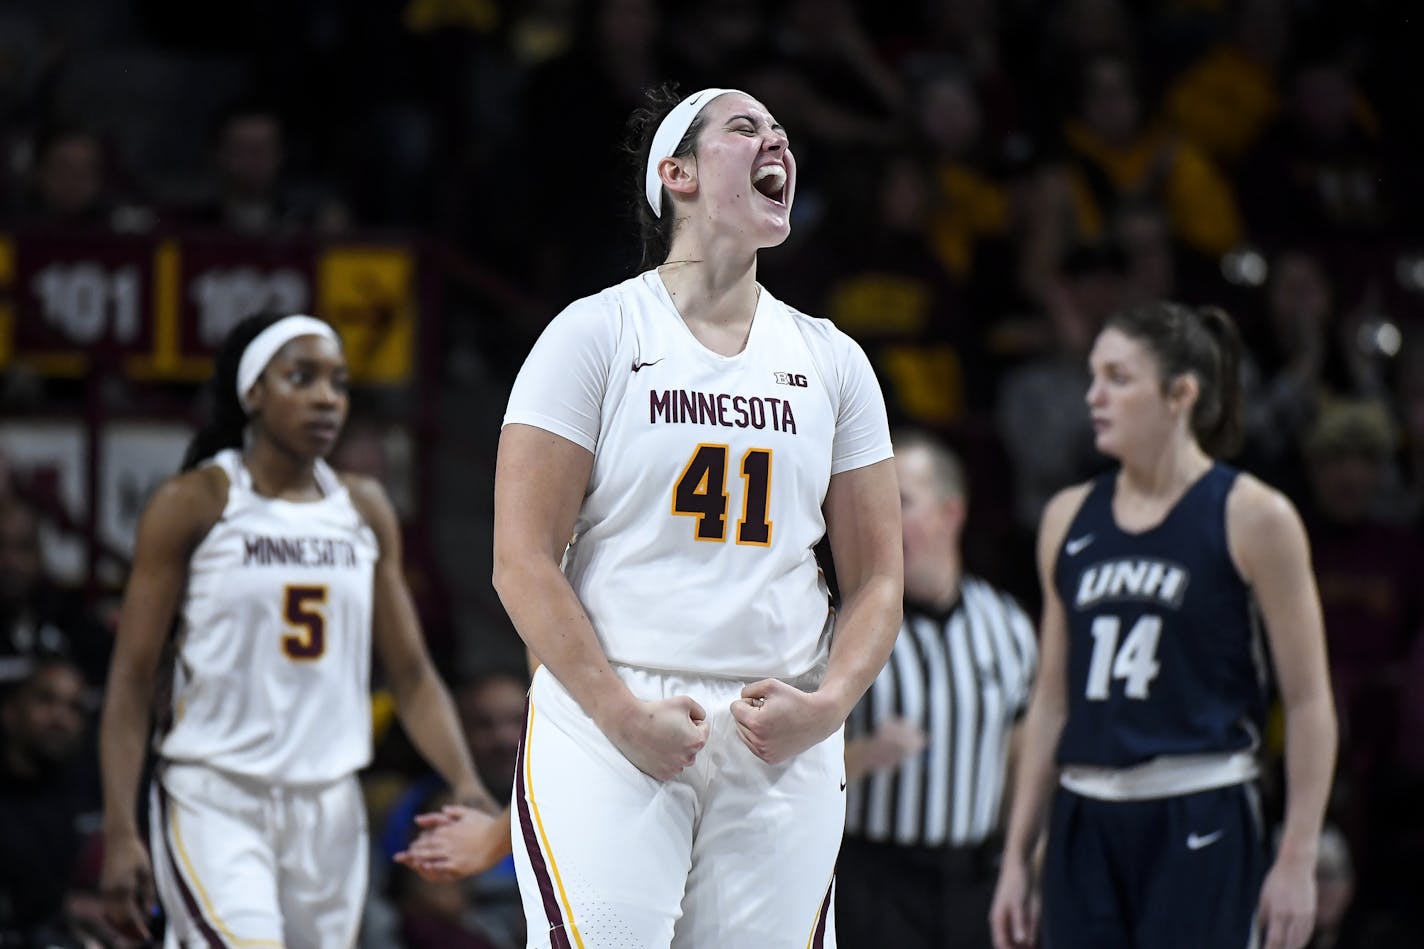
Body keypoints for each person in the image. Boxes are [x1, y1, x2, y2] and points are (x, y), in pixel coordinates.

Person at [412, 84, 903, 947]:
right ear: (674, 173)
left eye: (784, 133)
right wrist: (617, 712)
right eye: (746, 128)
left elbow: (877, 580)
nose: (776, 143)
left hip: (775, 733)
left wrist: (828, 705)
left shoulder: (834, 359)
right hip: (616, 710)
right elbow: (521, 561)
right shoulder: (592, 334)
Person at [97, 313, 501, 948]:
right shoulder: (196, 502)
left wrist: (467, 779)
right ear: (252, 392)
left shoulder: (364, 508)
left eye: (337, 384)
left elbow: (413, 674)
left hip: (330, 805)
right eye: (301, 378)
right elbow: (130, 680)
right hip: (215, 794)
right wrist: (122, 830)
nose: (325, 398)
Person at [989, 301, 1337, 949]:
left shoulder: (1254, 515)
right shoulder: (1068, 516)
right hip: (1084, 812)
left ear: (1181, 393)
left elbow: (1311, 699)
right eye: (1093, 375)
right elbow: (1052, 701)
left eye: (1118, 378)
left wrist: (1297, 855)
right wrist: (1017, 855)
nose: (1093, 396)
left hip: (1201, 803)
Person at [837, 430, 1037, 949]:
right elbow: (794, 763)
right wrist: (864, 755)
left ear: (952, 513)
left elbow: (1024, 755)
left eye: (902, 502)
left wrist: (1024, 861)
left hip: (972, 880)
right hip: (872, 876)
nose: (883, 518)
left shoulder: (1008, 625)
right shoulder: (845, 621)